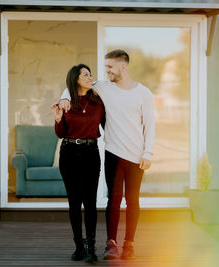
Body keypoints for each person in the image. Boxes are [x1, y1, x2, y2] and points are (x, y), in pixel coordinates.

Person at [58, 50, 155, 260]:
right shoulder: (103, 87)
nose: (106, 71)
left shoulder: (144, 93)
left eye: (110, 67)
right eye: (106, 67)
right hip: (112, 152)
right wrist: (64, 99)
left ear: (123, 67)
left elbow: (150, 125)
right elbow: (72, 87)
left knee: (133, 200)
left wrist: (148, 152)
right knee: (114, 199)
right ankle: (111, 244)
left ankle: (129, 243)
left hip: (136, 155)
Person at [52, 64, 105, 263]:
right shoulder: (66, 103)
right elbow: (61, 133)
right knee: (74, 202)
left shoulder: (99, 101)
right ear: (76, 79)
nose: (90, 77)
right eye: (85, 74)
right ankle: (78, 247)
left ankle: (92, 246)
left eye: (90, 74)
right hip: (69, 152)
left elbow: (109, 125)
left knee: (90, 202)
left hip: (91, 152)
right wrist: (58, 119)